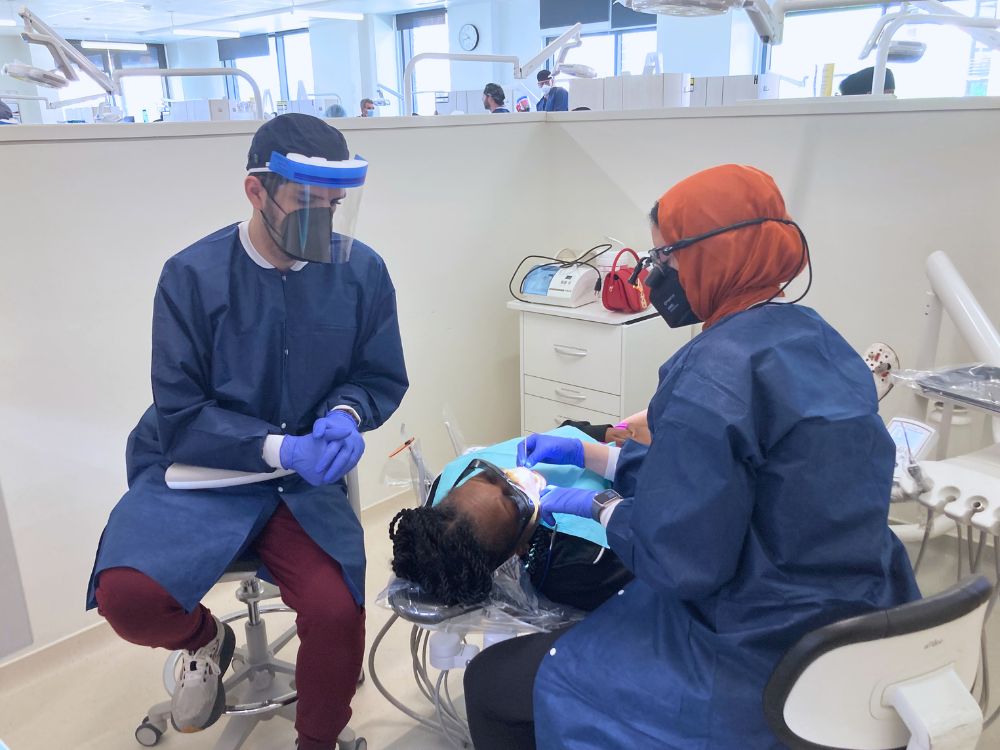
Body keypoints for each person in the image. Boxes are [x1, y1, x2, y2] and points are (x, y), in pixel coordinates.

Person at [463, 164, 920, 749]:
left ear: (717, 253)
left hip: (759, 647)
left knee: (505, 682)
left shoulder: (712, 372)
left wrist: (601, 507)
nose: (652, 276)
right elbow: (745, 484)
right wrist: (603, 457)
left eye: (663, 257)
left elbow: (683, 560)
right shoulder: (819, 339)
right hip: (862, 621)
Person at [87, 113, 408, 750]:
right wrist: (275, 444)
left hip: (300, 485)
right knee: (124, 595)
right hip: (201, 472)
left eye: (334, 205)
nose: (324, 223)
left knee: (336, 611)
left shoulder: (360, 270)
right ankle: (205, 641)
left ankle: (317, 740)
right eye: (305, 203)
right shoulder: (191, 277)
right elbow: (179, 412)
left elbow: (378, 373)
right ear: (255, 190)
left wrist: (344, 414)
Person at [389, 430, 633, 612]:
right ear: (519, 549)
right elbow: (659, 553)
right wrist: (611, 508)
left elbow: (566, 430)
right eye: (513, 497)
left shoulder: (453, 477)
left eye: (491, 475)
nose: (518, 475)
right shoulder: (580, 561)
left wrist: (600, 435)